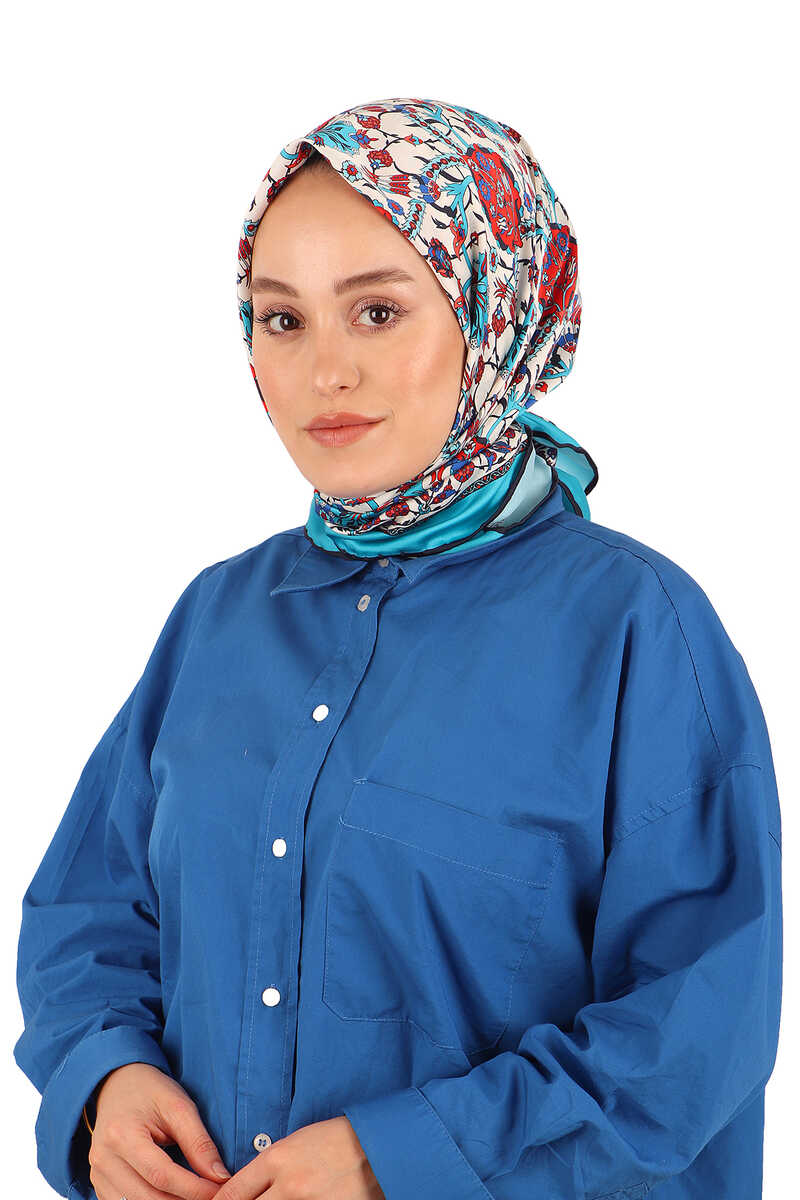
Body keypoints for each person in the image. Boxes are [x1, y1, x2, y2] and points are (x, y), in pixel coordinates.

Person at [14, 95, 782, 1200]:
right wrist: (107, 1078)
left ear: (495, 313)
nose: (323, 372)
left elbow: (691, 1036)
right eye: (282, 320)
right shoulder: (218, 616)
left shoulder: (635, 630)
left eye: (376, 312)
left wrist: (400, 1160)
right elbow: (88, 912)